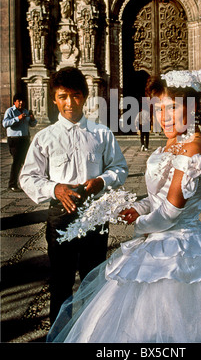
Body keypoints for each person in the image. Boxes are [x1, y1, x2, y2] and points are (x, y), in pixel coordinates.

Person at [47, 69, 201, 343]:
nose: (164, 115)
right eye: (158, 108)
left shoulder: (193, 148)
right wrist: (137, 207)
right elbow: (157, 198)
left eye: (173, 107)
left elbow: (171, 210)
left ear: (193, 108)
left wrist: (139, 225)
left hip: (181, 244)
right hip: (158, 235)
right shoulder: (172, 143)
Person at [19, 67, 128, 324]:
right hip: (61, 215)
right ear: (54, 99)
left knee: (94, 277)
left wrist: (103, 180)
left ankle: (93, 330)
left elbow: (119, 168)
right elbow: (28, 177)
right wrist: (54, 188)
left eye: (76, 96)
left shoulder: (101, 134)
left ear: (86, 96)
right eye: (63, 96)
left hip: (95, 215)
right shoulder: (45, 138)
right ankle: (61, 332)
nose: (70, 103)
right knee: (61, 280)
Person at [2, 93, 37, 192]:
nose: (21, 103)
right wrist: (18, 118)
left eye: (23, 101)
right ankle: (12, 184)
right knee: (17, 162)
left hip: (25, 139)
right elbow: (5, 123)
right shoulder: (10, 111)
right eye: (19, 101)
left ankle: (27, 183)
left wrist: (32, 118)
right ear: (15, 102)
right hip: (14, 139)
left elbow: (32, 124)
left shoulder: (25, 111)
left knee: (27, 161)